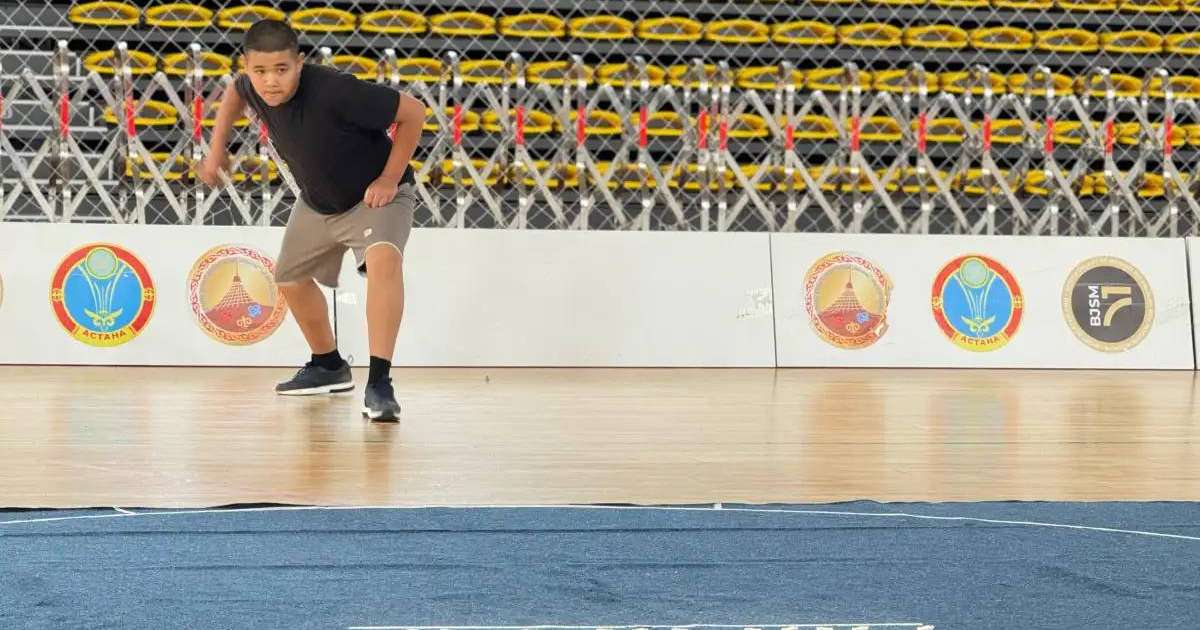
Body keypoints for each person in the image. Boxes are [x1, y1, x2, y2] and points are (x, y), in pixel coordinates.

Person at [199, 19, 423, 422]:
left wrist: (389, 178)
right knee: (289, 278)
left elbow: (414, 112)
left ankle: (380, 384)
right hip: (320, 202)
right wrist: (217, 149)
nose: (270, 82)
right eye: (260, 71)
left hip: (375, 196)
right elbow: (234, 92)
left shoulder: (337, 90)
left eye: (282, 70)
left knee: (384, 261)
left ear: (300, 63)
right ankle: (327, 365)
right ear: (248, 66)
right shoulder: (250, 84)